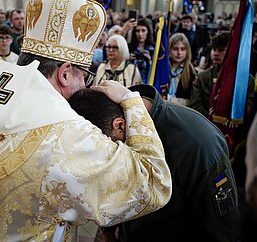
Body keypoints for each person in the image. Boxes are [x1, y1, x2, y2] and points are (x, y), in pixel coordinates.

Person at [0, 0, 172, 242]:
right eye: (84, 76)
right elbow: (153, 183)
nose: (85, 85)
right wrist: (131, 101)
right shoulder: (68, 135)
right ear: (64, 73)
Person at [69, 84, 240, 242]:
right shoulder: (114, 111)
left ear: (120, 126)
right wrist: (108, 229)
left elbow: (222, 226)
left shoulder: (198, 143)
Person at [168, 32, 196, 106]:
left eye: (182, 49)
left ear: (187, 51)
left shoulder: (191, 72)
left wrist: (170, 100)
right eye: (175, 49)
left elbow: (192, 101)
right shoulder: (163, 69)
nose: (179, 53)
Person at [128, 18, 154, 84]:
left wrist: (150, 62)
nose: (140, 34)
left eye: (143, 30)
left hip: (147, 83)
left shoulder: (153, 50)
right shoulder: (129, 48)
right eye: (137, 31)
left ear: (148, 31)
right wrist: (128, 60)